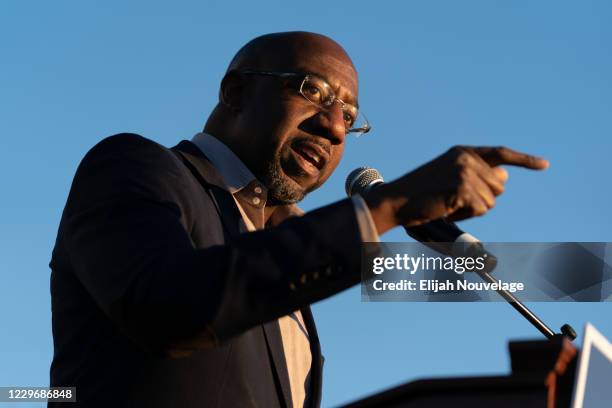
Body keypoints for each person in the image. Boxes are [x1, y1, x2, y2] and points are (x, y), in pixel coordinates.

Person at [49, 31, 549, 408]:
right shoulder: (135, 165)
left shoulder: (281, 240)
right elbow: (167, 307)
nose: (334, 126)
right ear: (235, 92)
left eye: (350, 117)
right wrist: (390, 206)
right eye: (312, 90)